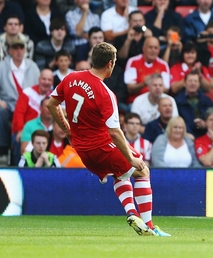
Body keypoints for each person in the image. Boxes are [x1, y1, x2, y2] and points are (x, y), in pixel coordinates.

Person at [45, 42, 169, 236]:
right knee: (142, 170)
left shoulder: (71, 78)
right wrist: (131, 158)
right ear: (110, 64)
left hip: (83, 150)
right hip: (102, 145)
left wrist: (68, 131)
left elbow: (51, 105)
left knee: (119, 174)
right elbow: (115, 132)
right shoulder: (106, 94)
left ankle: (133, 214)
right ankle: (150, 227)